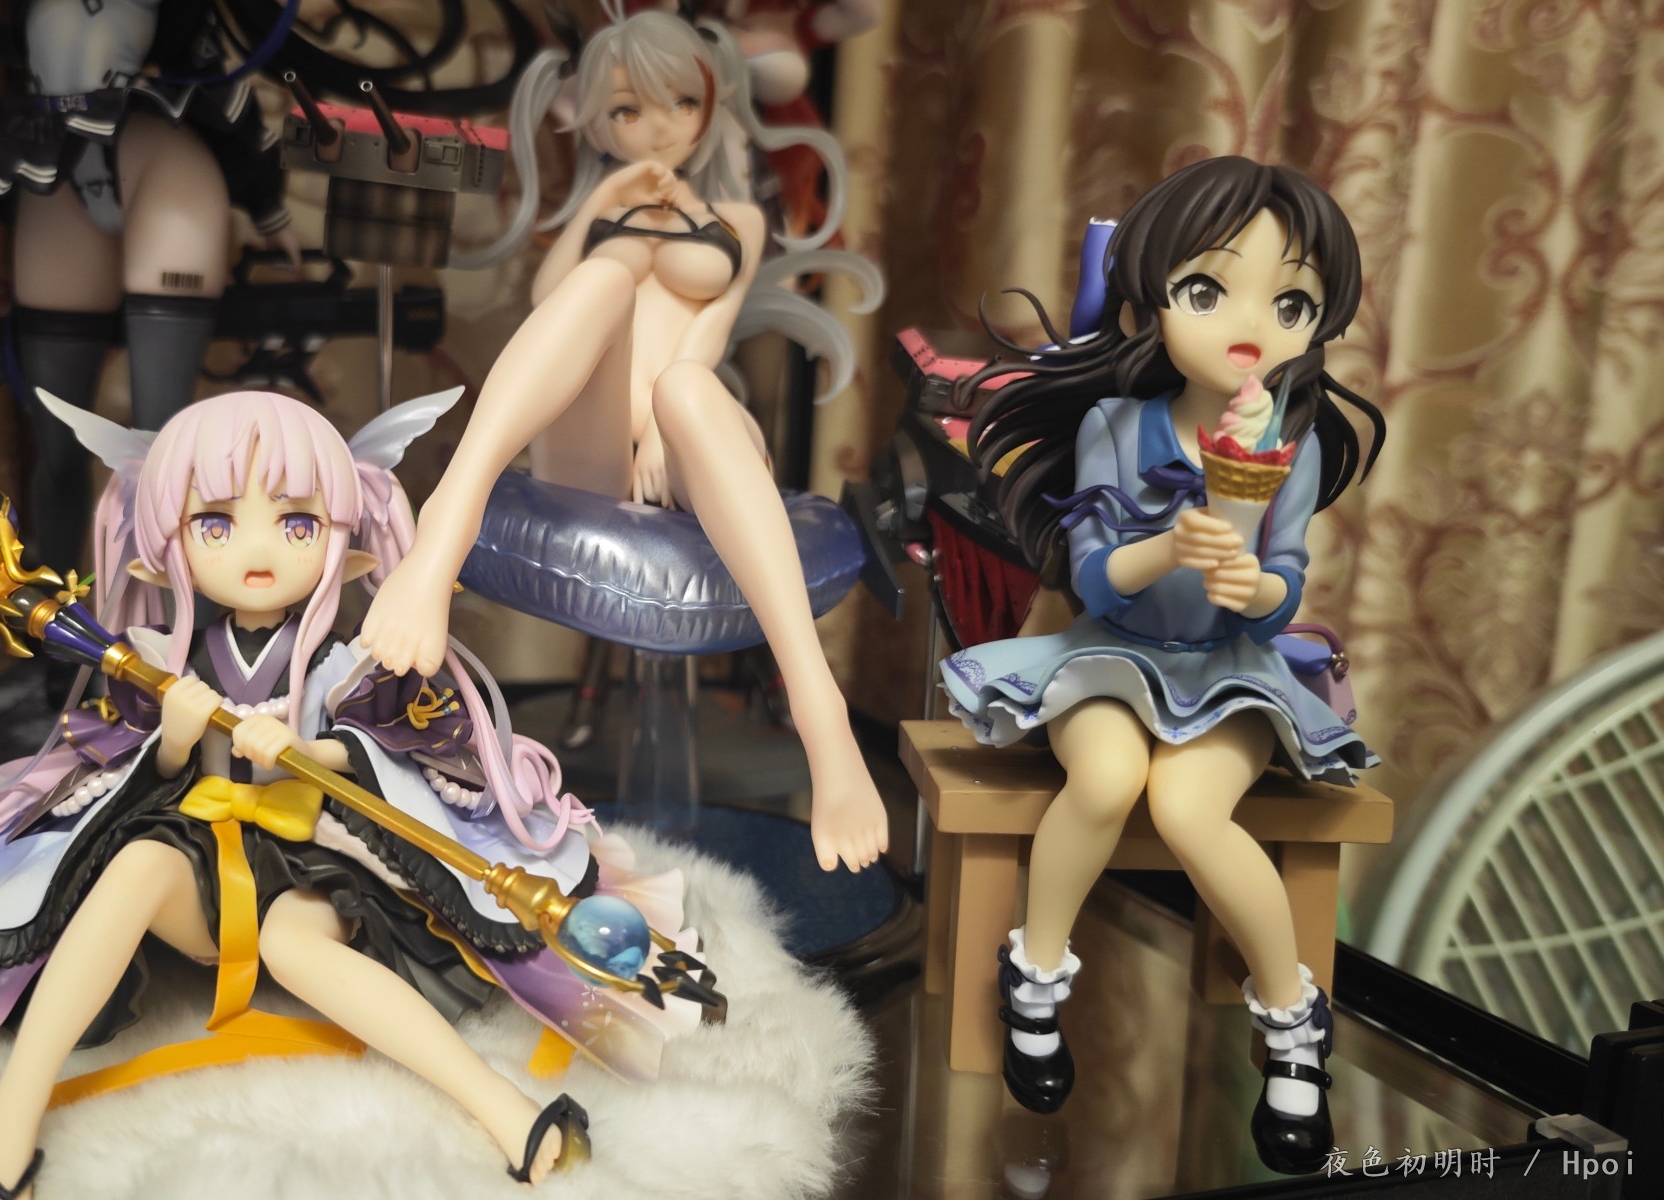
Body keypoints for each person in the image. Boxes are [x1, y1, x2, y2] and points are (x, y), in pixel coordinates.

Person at [0, 390, 709, 1197]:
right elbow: (108, 765)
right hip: (196, 867)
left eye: (296, 524)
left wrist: (321, 749)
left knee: (293, 944)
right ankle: (9, 1126)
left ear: (340, 540)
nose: (258, 550)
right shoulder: (155, 659)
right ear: (166, 546)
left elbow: (420, 741)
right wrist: (179, 733)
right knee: (136, 863)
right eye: (216, 524)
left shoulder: (353, 661)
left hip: (319, 865)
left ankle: (505, 1110)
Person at [360, 7, 888, 875]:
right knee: (602, 276)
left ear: (711, 106)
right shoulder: (605, 211)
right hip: (593, 445)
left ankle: (818, 710)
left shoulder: (735, 216)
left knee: (686, 387)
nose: (658, 127)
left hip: (692, 435)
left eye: (680, 103)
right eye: (627, 110)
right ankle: (441, 535)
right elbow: (549, 301)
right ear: (597, 122)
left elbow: (707, 334)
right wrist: (603, 206)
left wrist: (662, 433)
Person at [941, 157, 1386, 1174]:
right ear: (1153, 301)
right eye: (1208, 290)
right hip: (1112, 652)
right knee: (1104, 778)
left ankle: (1293, 1021)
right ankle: (1035, 979)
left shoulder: (1294, 444)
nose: (1250, 326)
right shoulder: (1117, 426)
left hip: (1227, 669)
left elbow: (1283, 587)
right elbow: (1095, 580)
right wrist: (1169, 547)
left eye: (1289, 303)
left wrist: (1251, 584)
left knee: (1191, 809)